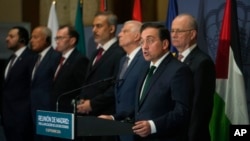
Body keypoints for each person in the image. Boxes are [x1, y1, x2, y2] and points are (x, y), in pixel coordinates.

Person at [132, 22, 193, 141]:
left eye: (150, 41)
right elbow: (140, 108)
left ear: (164, 44)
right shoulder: (145, 69)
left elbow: (182, 111)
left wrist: (153, 126)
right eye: (142, 42)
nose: (144, 46)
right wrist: (114, 118)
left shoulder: (179, 70)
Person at [77, 11, 125, 141]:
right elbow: (88, 81)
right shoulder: (96, 52)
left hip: (105, 116)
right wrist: (82, 100)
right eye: (93, 26)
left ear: (111, 28)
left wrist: (92, 103)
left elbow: (116, 86)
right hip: (88, 116)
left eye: (99, 26)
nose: (93, 30)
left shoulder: (119, 53)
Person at [98, 20, 149, 141]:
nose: (119, 34)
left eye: (124, 31)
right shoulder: (123, 60)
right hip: (120, 126)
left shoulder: (144, 60)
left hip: (137, 127)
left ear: (137, 36)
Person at [171, 13, 216, 141]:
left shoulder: (202, 63)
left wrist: (192, 137)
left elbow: (200, 107)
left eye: (179, 31)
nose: (174, 35)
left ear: (192, 34)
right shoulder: (172, 60)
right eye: (172, 30)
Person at [1, 26, 36, 141]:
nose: (7, 39)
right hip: (8, 116)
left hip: (23, 119)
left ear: (22, 40)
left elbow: (33, 87)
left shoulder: (32, 58)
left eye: (11, 36)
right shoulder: (10, 58)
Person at [30, 26, 61, 141]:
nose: (31, 40)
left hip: (48, 113)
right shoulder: (34, 58)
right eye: (31, 37)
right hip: (33, 111)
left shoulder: (55, 57)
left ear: (46, 39)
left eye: (35, 37)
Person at [52, 25, 89, 113]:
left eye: (60, 38)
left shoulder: (80, 60)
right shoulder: (58, 59)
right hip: (57, 110)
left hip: (70, 112)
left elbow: (83, 88)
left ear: (72, 40)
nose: (57, 42)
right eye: (56, 38)